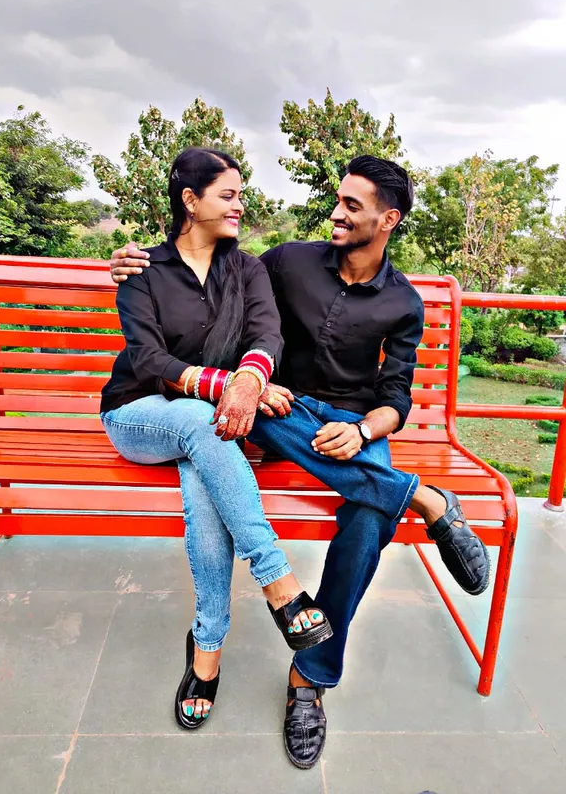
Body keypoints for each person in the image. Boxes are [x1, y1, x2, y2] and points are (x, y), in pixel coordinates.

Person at [109, 155, 490, 767]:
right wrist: (131, 260)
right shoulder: (286, 259)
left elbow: (396, 398)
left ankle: (308, 679)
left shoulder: (403, 303)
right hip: (273, 409)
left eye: (352, 207)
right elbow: (216, 286)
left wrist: (364, 428)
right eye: (337, 201)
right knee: (237, 414)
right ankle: (423, 498)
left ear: (388, 220)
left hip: (353, 425)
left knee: (369, 519)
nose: (335, 213)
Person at [100, 147, 332, 732]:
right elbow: (148, 358)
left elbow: (267, 333)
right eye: (228, 194)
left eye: (239, 193)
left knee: (208, 490)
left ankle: (206, 657)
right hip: (140, 414)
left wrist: (252, 378)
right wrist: (231, 387)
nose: (239, 204)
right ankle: (279, 583)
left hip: (210, 428)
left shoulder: (246, 269)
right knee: (209, 426)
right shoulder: (142, 269)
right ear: (190, 200)